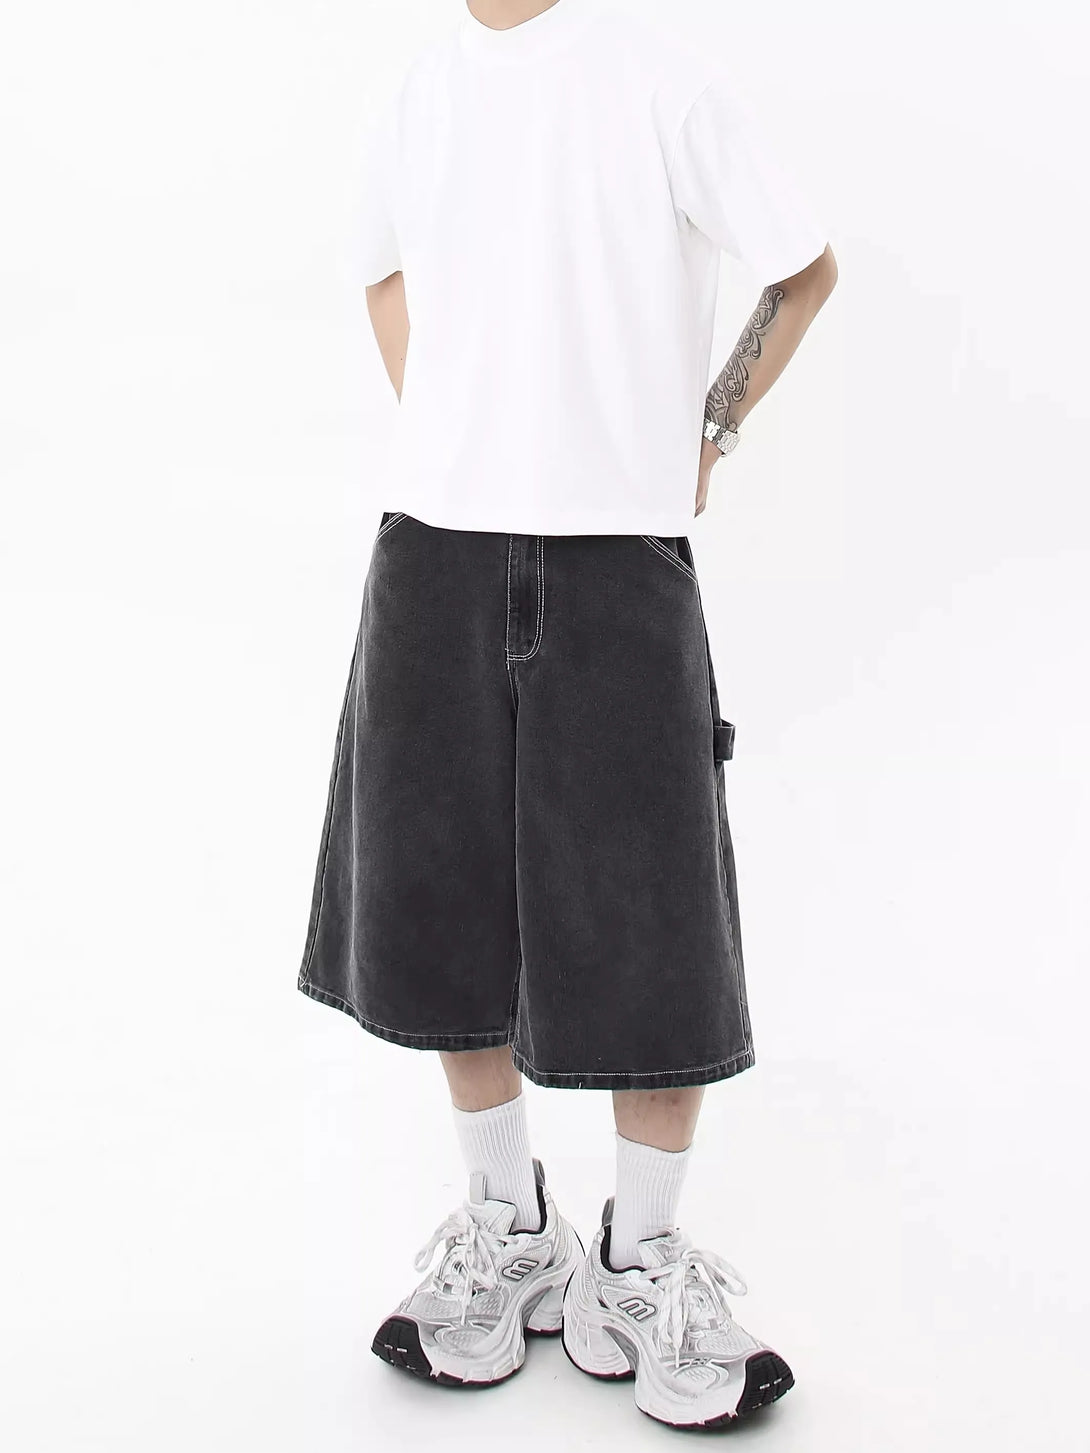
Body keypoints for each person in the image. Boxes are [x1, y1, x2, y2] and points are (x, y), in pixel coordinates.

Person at [298, 0, 837, 1430]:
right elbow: (379, 273)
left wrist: (710, 427)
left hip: (618, 555)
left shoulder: (659, 79)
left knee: (651, 915)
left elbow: (802, 268)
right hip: (434, 548)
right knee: (438, 900)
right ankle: (506, 1229)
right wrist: (458, 423)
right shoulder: (414, 94)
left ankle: (641, 1261)